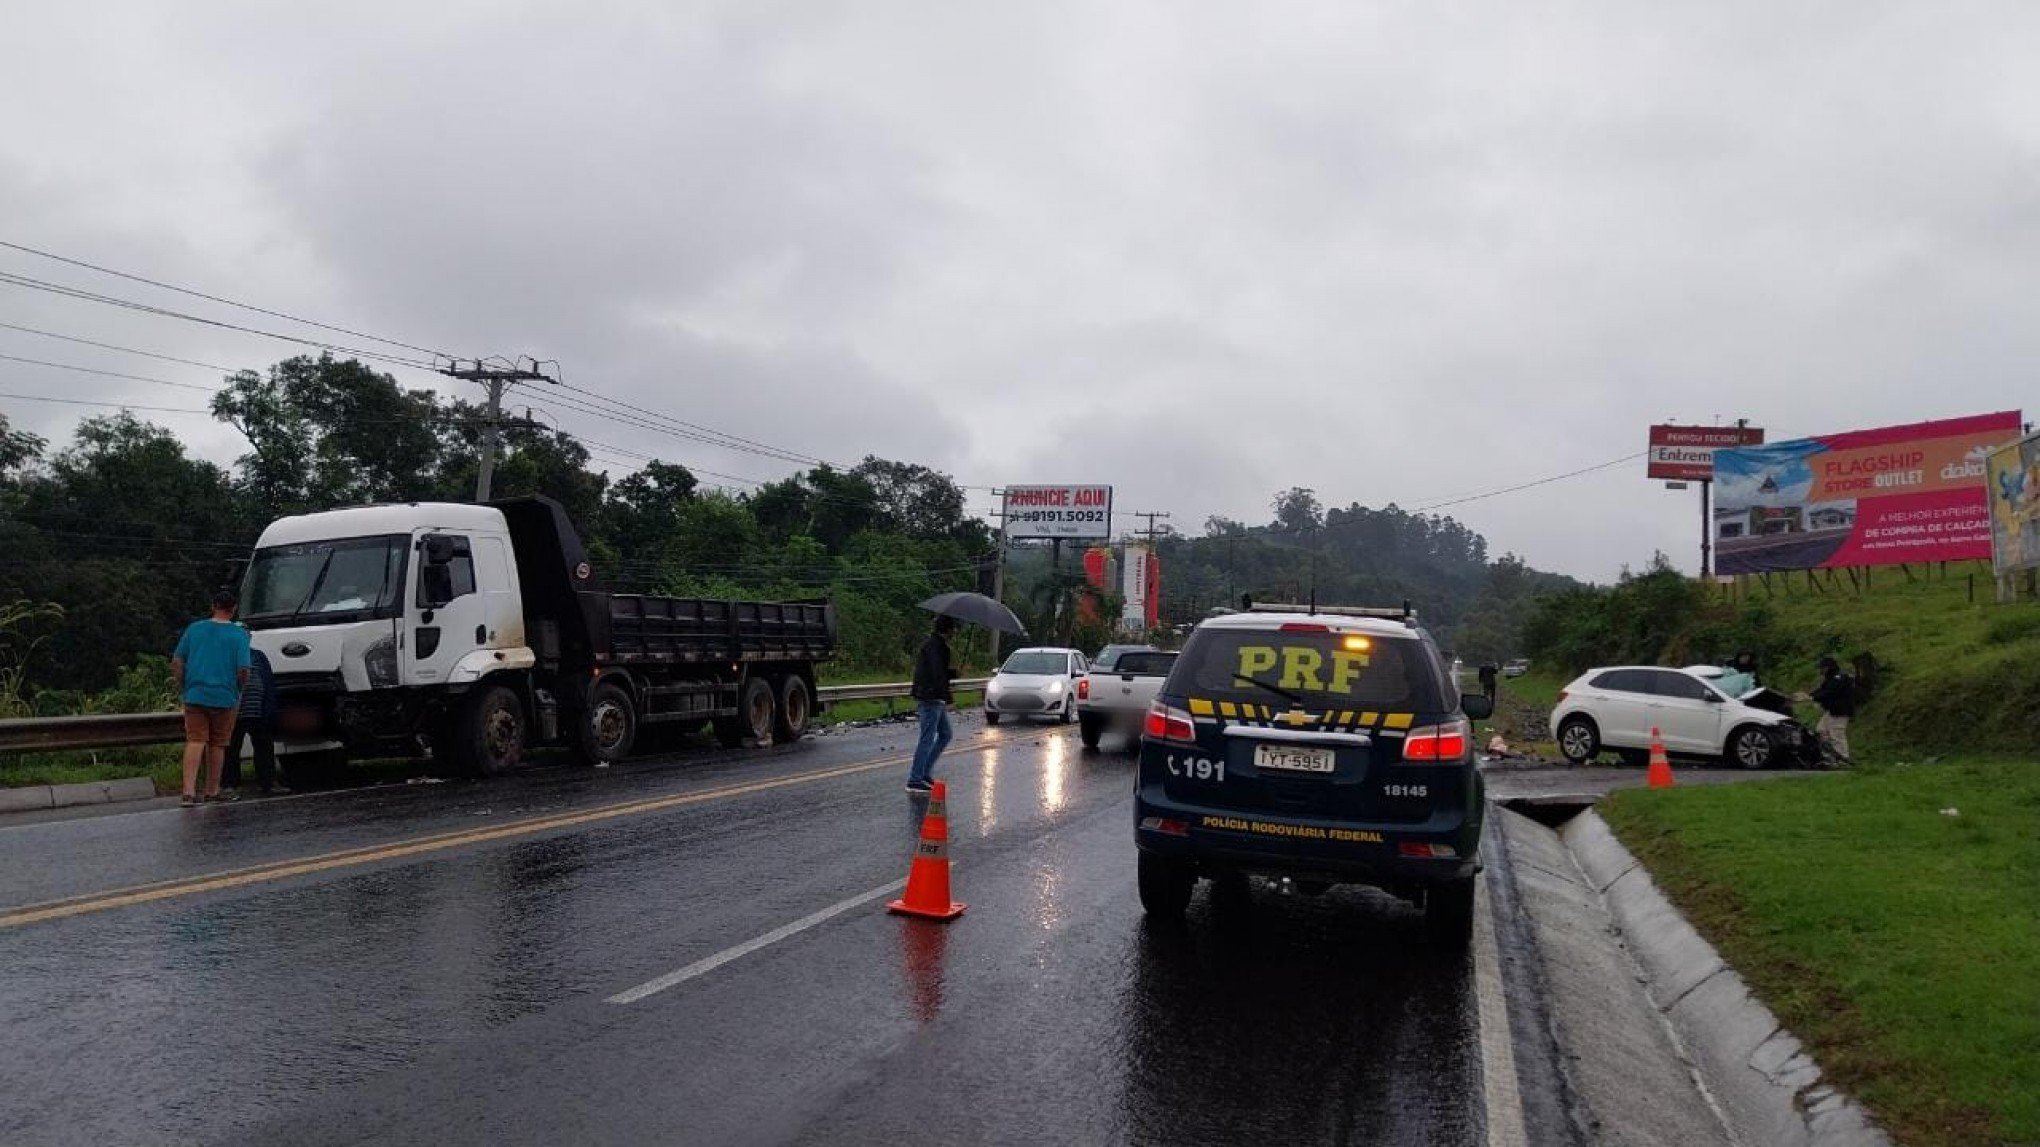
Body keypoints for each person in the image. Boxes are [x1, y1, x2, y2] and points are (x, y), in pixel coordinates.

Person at [172, 589, 252, 806]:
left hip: (195, 694)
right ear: (233, 609)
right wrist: (239, 689)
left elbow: (178, 661)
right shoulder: (239, 635)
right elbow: (244, 670)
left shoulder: (195, 629)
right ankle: (212, 790)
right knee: (217, 744)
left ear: (213, 605)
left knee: (195, 740)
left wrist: (184, 685)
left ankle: (188, 792)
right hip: (225, 696)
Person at [224, 647, 289, 796]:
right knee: (231, 749)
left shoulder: (258, 656)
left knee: (264, 747)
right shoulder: (225, 654)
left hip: (259, 710)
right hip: (234, 712)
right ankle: (229, 785)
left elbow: (268, 681)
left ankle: (269, 783)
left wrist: (270, 706)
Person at [907, 616, 957, 793]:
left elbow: (939, 671)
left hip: (933, 696)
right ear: (948, 630)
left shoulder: (935, 645)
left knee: (945, 734)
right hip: (931, 697)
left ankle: (924, 771)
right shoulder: (935, 646)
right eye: (953, 629)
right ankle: (915, 778)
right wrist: (948, 697)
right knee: (927, 738)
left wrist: (952, 673)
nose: (955, 632)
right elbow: (936, 674)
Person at [1803, 656, 1855, 762]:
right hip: (1831, 711)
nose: (1820, 670)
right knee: (1821, 731)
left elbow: (1830, 692)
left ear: (1828, 667)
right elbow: (1822, 690)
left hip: (1840, 711)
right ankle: (1830, 756)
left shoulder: (1839, 678)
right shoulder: (1831, 679)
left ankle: (1843, 759)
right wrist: (1808, 696)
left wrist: (1812, 697)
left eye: (1822, 668)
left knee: (1837, 734)